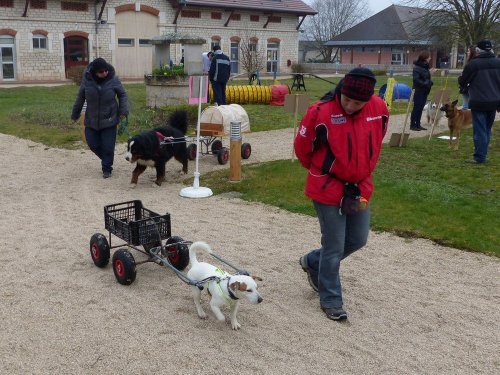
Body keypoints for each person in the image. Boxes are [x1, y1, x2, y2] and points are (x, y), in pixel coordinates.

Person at [294, 68, 389, 321]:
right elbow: (302, 149)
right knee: (334, 245)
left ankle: (313, 261)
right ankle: (331, 298)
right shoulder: (320, 111)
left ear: (368, 101)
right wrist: (326, 169)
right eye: (346, 99)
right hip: (327, 186)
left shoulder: (379, 108)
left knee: (357, 239)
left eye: (357, 103)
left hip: (359, 187)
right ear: (341, 90)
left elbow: (380, 136)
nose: (349, 106)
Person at [71, 57, 128, 178]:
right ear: (95, 72)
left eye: (106, 70)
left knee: (108, 146)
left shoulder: (113, 79)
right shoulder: (87, 81)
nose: (105, 73)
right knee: (92, 144)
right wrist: (75, 113)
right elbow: (80, 97)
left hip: (109, 119)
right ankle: (107, 158)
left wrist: (123, 110)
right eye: (101, 72)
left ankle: (107, 168)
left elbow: (122, 94)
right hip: (91, 120)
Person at [459, 39, 500, 164]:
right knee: (487, 129)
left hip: (479, 101)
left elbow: (462, 81)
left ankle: (480, 156)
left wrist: (462, 80)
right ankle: (483, 153)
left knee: (480, 130)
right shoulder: (498, 63)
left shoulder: (473, 64)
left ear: (478, 50)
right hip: (494, 101)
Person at [410, 51, 433, 131]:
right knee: (417, 107)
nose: (430, 58)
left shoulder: (426, 67)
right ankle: (413, 125)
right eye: (429, 57)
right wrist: (426, 83)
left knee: (421, 108)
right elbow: (416, 80)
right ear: (425, 58)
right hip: (418, 90)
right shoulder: (416, 68)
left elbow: (427, 78)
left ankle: (418, 124)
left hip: (425, 90)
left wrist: (430, 82)